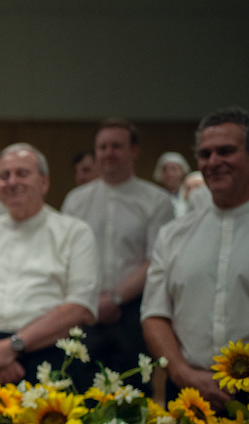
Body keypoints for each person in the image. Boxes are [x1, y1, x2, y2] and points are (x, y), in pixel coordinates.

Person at [0, 143, 99, 385]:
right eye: (4, 176)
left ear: (44, 182)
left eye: (22, 173)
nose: (12, 182)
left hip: (49, 354)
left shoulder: (75, 233)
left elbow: (80, 306)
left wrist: (13, 346)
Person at [142, 106, 249, 409]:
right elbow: (154, 315)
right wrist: (182, 373)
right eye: (205, 154)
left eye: (226, 151)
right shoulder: (173, 234)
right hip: (187, 392)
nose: (213, 162)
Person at [61, 118, 174, 381]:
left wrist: (116, 298)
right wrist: (90, 301)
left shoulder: (156, 201)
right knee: (81, 393)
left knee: (133, 393)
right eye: (102, 147)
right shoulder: (76, 201)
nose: (108, 153)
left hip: (133, 311)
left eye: (116, 146)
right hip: (85, 312)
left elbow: (156, 259)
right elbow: (65, 257)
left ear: (134, 151)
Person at [153, 151, 190, 215]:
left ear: (183, 172)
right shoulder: (155, 198)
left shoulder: (190, 195)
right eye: (165, 170)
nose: (170, 174)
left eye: (174, 169)